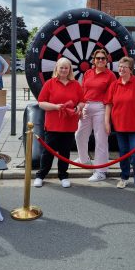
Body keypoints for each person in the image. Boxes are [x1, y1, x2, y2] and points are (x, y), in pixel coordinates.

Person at [105, 56, 135, 196]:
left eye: (124, 67)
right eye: (119, 66)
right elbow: (109, 105)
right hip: (120, 126)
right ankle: (124, 177)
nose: (120, 69)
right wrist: (106, 122)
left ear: (131, 70)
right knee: (123, 154)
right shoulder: (114, 85)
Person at [34, 57, 84, 189]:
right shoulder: (50, 83)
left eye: (66, 67)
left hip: (69, 124)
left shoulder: (76, 85)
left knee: (65, 152)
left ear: (69, 70)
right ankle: (40, 175)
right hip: (53, 124)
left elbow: (82, 101)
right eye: (61, 67)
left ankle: (63, 175)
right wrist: (56, 107)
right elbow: (41, 103)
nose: (63, 70)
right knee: (48, 152)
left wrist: (78, 108)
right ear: (57, 68)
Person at [75, 49, 117, 182]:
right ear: (94, 60)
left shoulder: (110, 76)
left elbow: (112, 96)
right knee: (79, 134)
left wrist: (107, 118)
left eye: (103, 58)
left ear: (107, 61)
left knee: (101, 140)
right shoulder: (88, 73)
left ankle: (101, 171)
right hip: (86, 106)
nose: (100, 60)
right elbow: (83, 90)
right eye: (98, 58)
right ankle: (84, 159)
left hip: (101, 107)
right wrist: (80, 105)